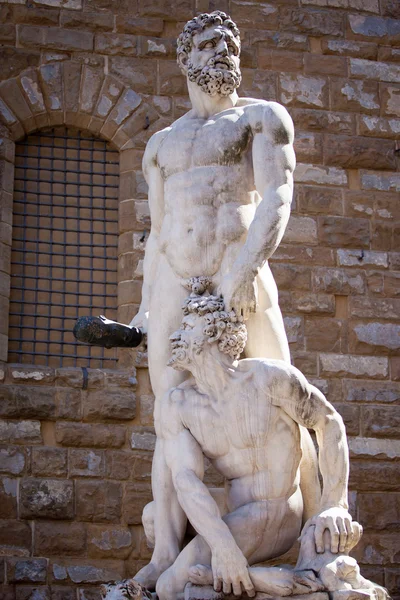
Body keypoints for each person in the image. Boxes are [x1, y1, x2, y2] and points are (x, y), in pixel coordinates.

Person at [130, 11, 319, 588]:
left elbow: (277, 199)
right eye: (209, 43)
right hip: (173, 288)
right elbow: (158, 233)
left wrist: (239, 272)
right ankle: (166, 551)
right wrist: (144, 308)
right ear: (185, 58)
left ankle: (318, 531)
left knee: (285, 394)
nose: (223, 52)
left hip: (240, 276)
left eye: (230, 43)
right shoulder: (160, 146)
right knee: (171, 415)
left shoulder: (262, 118)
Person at [153, 290, 358, 600]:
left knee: (170, 588)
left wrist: (334, 503)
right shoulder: (177, 404)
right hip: (235, 507)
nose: (176, 335)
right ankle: (256, 578)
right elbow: (186, 480)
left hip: (274, 510)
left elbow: (329, 423)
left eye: (187, 327)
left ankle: (233, 575)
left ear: (213, 332)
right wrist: (224, 547)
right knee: (152, 516)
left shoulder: (269, 379)